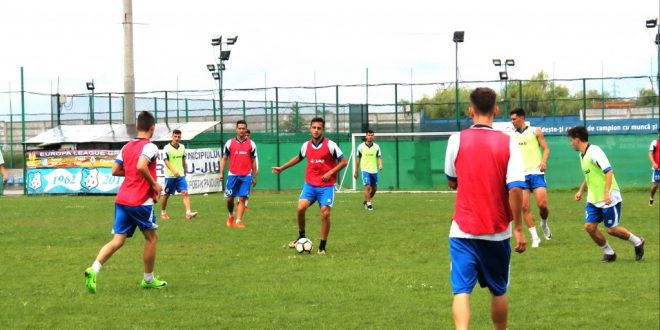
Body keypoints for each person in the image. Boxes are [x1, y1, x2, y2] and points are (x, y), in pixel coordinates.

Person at [444, 87, 526, 330]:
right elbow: (515, 189)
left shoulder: (456, 139)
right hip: (498, 231)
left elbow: (452, 180)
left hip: (462, 231)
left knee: (461, 291)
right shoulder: (509, 142)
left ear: (470, 110)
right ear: (496, 110)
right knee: (498, 290)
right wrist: (519, 228)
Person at [84, 111, 167, 293]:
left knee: (118, 240)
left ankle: (94, 269)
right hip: (140, 200)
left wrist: (133, 174)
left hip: (122, 199)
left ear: (137, 127)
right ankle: (148, 279)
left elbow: (115, 170)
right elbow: (140, 166)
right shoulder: (150, 147)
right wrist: (154, 184)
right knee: (152, 238)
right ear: (152, 128)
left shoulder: (126, 147)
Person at [567, 126, 645, 262]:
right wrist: (581, 190)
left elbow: (608, 171)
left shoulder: (595, 151)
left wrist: (607, 193)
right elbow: (589, 175)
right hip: (593, 198)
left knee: (611, 229)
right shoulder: (581, 154)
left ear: (577, 140)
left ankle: (637, 242)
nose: (570, 143)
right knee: (589, 227)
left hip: (609, 196)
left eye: (571, 140)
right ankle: (609, 253)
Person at [272, 117, 347, 255]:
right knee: (300, 208)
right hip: (310, 185)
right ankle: (301, 237)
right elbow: (298, 157)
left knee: (325, 213)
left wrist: (330, 172)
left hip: (326, 186)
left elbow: (343, 161)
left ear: (322, 130)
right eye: (314, 127)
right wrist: (282, 168)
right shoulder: (306, 145)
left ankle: (322, 246)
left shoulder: (331, 145)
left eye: (319, 128)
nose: (316, 130)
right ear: (310, 129)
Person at [509, 108, 551, 248]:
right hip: (520, 174)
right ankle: (535, 238)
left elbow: (546, 149)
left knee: (542, 205)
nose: (512, 121)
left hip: (536, 173)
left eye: (514, 119)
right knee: (524, 207)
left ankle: (544, 223)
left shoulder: (535, 131)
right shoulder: (511, 135)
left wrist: (543, 161)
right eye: (511, 119)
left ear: (522, 118)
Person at [219, 120, 258, 228]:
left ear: (246, 130)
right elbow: (224, 158)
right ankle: (231, 215)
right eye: (239, 128)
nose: (241, 130)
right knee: (229, 199)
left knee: (242, 198)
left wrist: (254, 176)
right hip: (232, 175)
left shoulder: (252, 144)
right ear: (236, 129)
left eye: (243, 128)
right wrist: (221, 173)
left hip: (246, 175)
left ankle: (238, 221)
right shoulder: (229, 143)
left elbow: (253, 161)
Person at [160, 129, 198, 220]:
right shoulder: (167, 148)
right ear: (172, 137)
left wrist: (184, 170)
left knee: (185, 192)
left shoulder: (182, 147)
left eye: (178, 137)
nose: (177, 138)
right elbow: (166, 161)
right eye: (175, 136)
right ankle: (163, 212)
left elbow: (183, 159)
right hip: (170, 175)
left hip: (181, 175)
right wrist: (173, 171)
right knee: (166, 194)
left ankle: (188, 213)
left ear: (181, 137)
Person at [353, 129, 383, 211]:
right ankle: (369, 205)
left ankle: (366, 201)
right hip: (365, 170)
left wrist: (380, 164)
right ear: (366, 136)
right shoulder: (360, 147)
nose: (370, 136)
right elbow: (358, 160)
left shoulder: (377, 147)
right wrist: (356, 171)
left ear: (374, 136)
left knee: (375, 189)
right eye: (369, 135)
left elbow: (379, 157)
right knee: (367, 186)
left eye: (372, 135)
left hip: (374, 170)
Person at [648, 129, 660, 206]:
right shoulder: (655, 142)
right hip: (657, 168)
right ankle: (651, 197)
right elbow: (650, 153)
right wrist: (653, 163)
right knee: (655, 185)